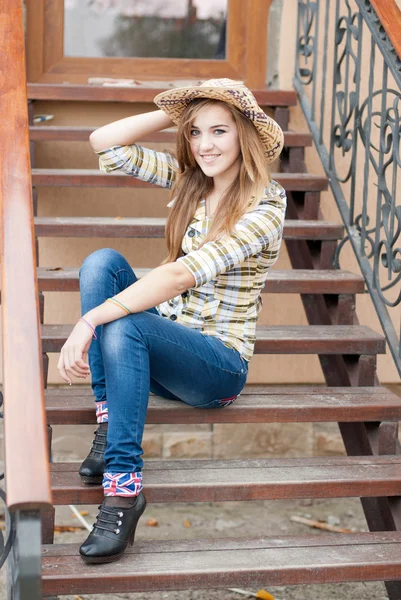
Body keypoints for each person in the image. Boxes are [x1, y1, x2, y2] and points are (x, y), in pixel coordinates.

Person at [57, 78, 287, 564]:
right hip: (163, 350)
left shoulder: (267, 205)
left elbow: (183, 273)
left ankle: (123, 489)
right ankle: (108, 420)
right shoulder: (191, 183)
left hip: (217, 368)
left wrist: (88, 322)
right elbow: (106, 143)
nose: (205, 145)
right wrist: (176, 111)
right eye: (196, 133)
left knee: (125, 321)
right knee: (102, 262)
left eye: (220, 131)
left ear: (245, 134)